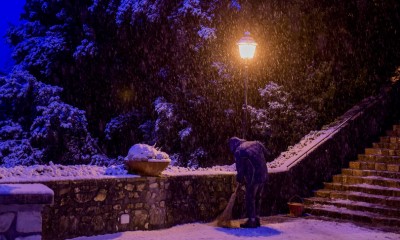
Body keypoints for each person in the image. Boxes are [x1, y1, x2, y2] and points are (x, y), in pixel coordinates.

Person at [228, 137, 270, 228]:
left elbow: (240, 169)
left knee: (250, 198)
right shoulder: (256, 143)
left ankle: (251, 220)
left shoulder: (239, 151)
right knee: (258, 197)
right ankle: (257, 219)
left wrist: (239, 178)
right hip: (263, 174)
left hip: (253, 176)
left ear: (233, 145)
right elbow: (267, 154)